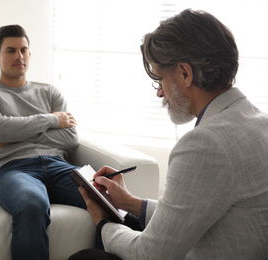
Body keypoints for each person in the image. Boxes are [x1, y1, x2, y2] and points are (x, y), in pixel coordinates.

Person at [69, 9, 268, 260]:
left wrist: (103, 222)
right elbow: (189, 216)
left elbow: (149, 254)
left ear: (185, 73)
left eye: (159, 79)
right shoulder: (259, 123)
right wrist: (130, 203)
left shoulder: (205, 144)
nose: (159, 93)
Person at [0, 24, 86, 260]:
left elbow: (71, 138)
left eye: (23, 50)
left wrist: (12, 134)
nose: (19, 56)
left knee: (107, 193)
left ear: (30, 54)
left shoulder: (50, 92)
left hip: (58, 165)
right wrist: (51, 119)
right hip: (13, 169)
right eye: (10, 50)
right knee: (32, 205)